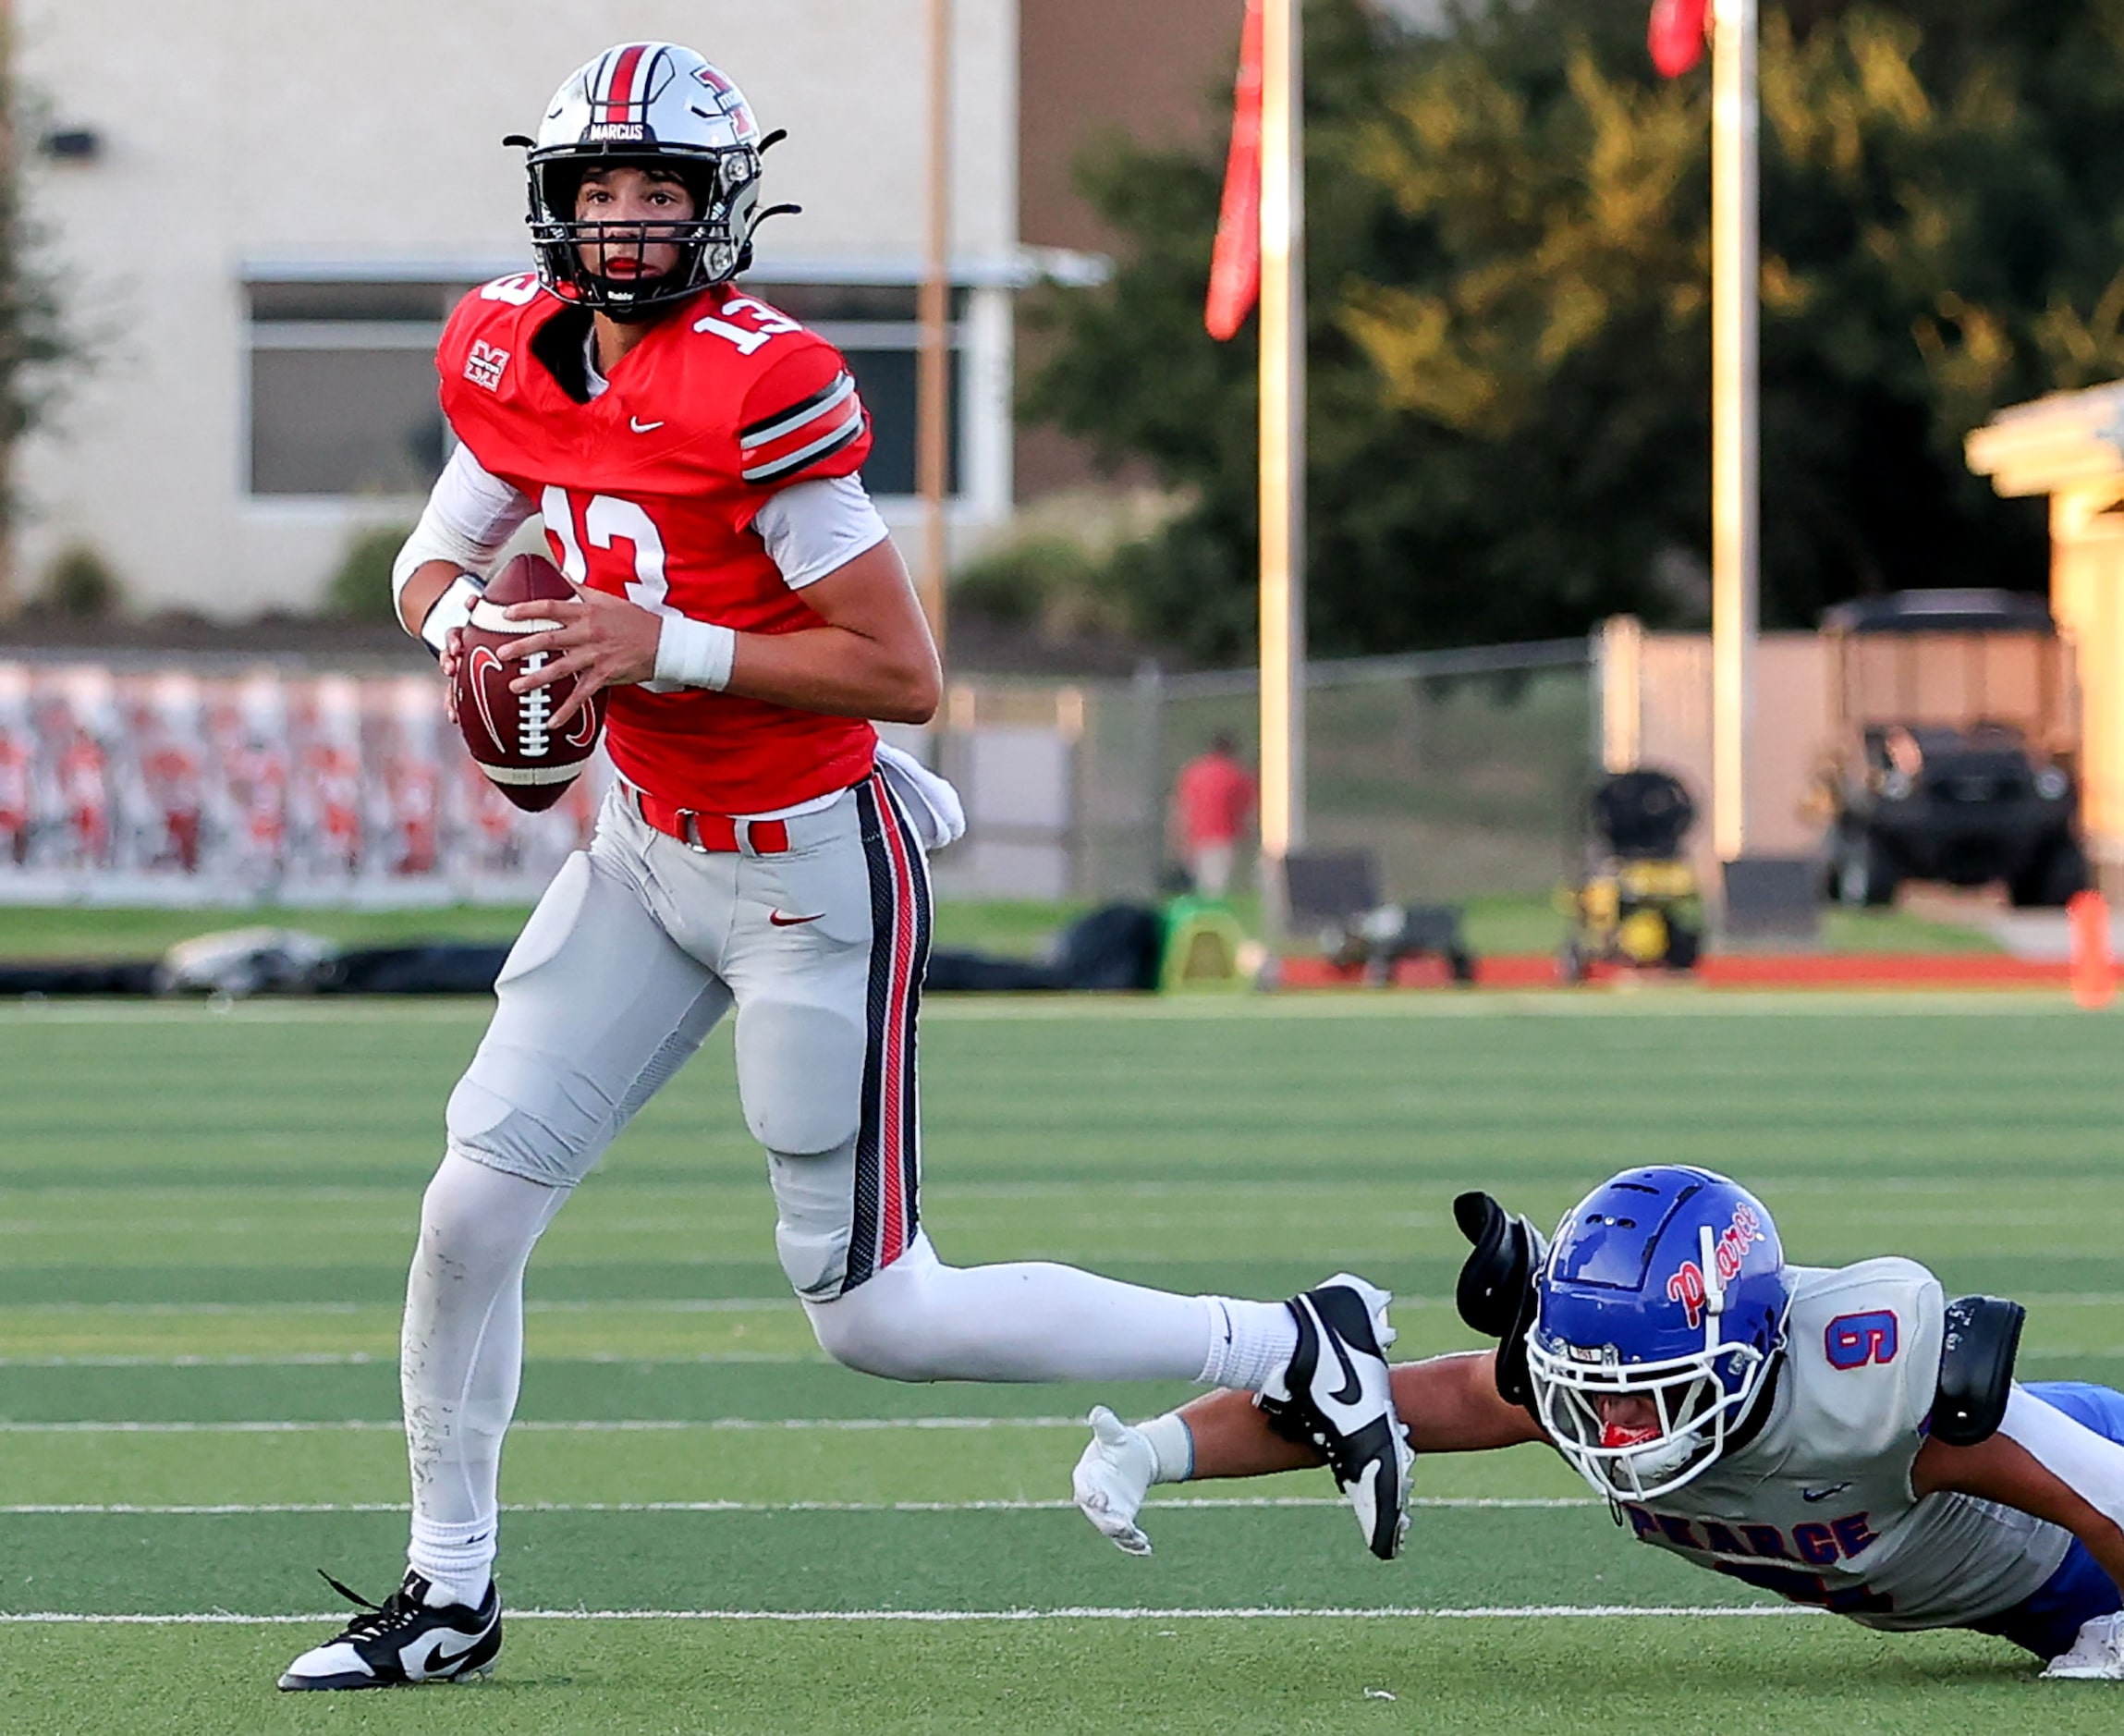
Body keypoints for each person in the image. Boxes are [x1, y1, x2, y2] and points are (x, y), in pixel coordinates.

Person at [277, 42, 1408, 1692]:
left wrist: (652, 639)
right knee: (468, 1206)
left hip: (810, 872)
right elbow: (432, 555)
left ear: (717, 208)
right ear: (554, 200)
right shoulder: (512, 351)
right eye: (599, 188)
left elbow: (899, 671)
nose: (626, 220)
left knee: (873, 1314)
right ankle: (449, 1589)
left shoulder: (761, 380)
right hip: (641, 852)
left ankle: (1288, 1341)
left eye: (658, 190)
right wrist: (484, 638)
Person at [1073, 1165, 2124, 1681]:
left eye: (1652, 1386)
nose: (1614, 1421)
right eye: (1594, 1385)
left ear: (1751, 1348)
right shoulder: (1583, 1384)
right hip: (2012, 1604)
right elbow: (1346, 1403)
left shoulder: (1872, 1390)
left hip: (2088, 1526)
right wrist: (1159, 1450)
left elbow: (2090, 1485)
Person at [1170, 732, 1255, 899]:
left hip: (1196, 835)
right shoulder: (1236, 774)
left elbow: (1183, 808)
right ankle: (1213, 918)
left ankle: (1204, 915)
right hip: (1224, 835)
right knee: (1217, 885)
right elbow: (1247, 810)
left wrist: (1180, 837)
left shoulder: (1194, 772)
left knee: (1202, 883)